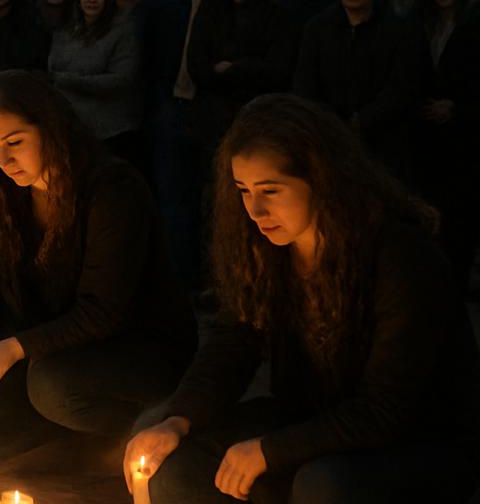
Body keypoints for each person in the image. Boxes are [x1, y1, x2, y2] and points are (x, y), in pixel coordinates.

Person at [125, 95, 480, 503]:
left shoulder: (400, 257)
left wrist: (271, 451)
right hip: (313, 417)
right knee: (172, 455)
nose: (254, 210)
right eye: (243, 190)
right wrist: (179, 419)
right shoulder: (266, 251)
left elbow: (387, 409)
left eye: (270, 190)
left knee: (321, 485)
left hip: (416, 439)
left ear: (323, 179)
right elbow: (231, 347)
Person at [0, 70, 193, 465]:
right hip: (55, 352)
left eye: (15, 142)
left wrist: (14, 347)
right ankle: (75, 436)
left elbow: (102, 311)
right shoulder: (8, 196)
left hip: (135, 350)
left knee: (51, 386)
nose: (3, 160)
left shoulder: (112, 189)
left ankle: (134, 433)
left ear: (52, 130)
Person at [293, 0, 425, 176]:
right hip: (329, 143)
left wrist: (360, 122)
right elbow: (306, 84)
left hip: (384, 145)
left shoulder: (401, 30)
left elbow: (403, 88)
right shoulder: (318, 28)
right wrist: (330, 124)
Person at [142, 0, 214, 286]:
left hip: (211, 104)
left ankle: (208, 275)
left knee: (211, 195)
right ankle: (179, 279)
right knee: (173, 197)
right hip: (171, 103)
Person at [186, 0, 294, 158]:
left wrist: (234, 69)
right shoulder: (211, 5)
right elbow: (197, 62)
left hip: (260, 115)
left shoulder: (275, 10)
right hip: (213, 116)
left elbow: (279, 66)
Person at [415, 0, 480, 287]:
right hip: (426, 129)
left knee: (460, 208)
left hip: (463, 131)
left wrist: (456, 107)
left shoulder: (472, 27)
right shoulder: (420, 26)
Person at [47, 0, 142, 166]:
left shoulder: (122, 31)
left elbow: (120, 79)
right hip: (70, 127)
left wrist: (67, 79)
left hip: (109, 132)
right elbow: (52, 67)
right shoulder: (66, 31)